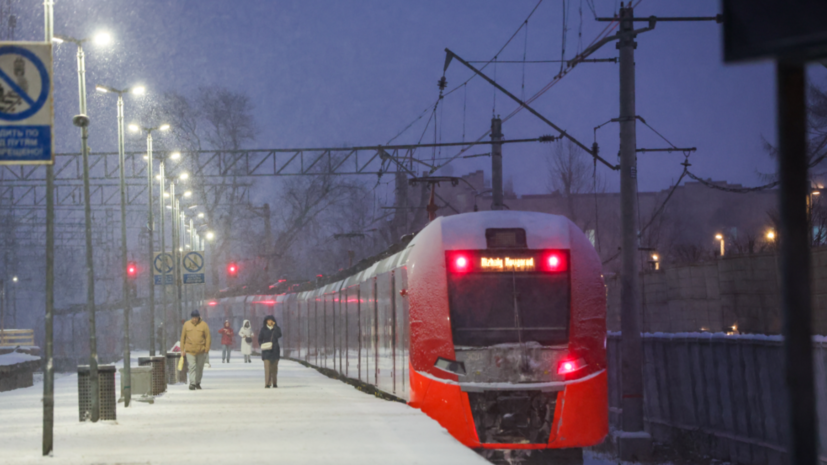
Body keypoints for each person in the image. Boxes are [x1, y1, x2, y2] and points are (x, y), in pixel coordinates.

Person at [180, 309, 211, 390]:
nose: (194, 319)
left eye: (196, 317)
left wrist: (207, 349)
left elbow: (208, 337)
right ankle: (192, 383)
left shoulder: (204, 325)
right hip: (190, 350)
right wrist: (182, 350)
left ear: (198, 317)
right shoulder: (186, 325)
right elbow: (183, 337)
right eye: (193, 317)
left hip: (201, 350)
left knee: (199, 367)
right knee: (192, 367)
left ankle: (197, 382)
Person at [259, 316, 282, 388]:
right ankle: (267, 383)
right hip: (266, 351)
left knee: (274, 368)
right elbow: (260, 339)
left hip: (275, 350)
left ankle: (274, 382)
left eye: (271, 320)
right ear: (266, 321)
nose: (269, 322)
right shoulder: (263, 330)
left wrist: (275, 327)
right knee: (267, 368)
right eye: (268, 320)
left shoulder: (276, 329)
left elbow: (279, 335)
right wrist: (262, 345)